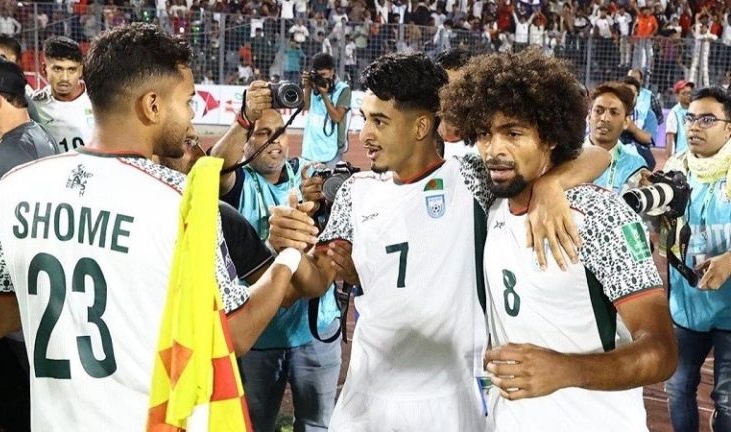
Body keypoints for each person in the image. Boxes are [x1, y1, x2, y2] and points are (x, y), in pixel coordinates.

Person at [0, 23, 317, 432]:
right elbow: (234, 332)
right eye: (187, 102)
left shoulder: (15, 188)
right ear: (152, 105)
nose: (191, 116)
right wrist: (288, 258)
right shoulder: (180, 199)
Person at [266, 52, 611, 431]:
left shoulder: (472, 178)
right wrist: (292, 250)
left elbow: (596, 155)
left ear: (420, 127)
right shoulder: (356, 191)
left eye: (379, 121)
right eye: (365, 119)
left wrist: (551, 184)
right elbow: (316, 280)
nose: (364, 135)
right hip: (363, 400)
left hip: (449, 403)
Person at [439, 49, 676, 431]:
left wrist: (565, 369)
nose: (494, 149)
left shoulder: (600, 215)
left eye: (513, 133)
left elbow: (661, 352)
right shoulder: (485, 195)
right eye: (484, 133)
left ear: (549, 136)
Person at [212, 84, 342, 431]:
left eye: (280, 132)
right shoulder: (239, 181)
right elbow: (213, 169)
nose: (274, 141)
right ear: (246, 142)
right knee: (254, 425)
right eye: (263, 133)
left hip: (316, 328)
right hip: (259, 334)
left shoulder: (305, 174)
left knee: (317, 425)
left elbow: (331, 186)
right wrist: (244, 119)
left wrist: (324, 194)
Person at [0, 54, 59, 432]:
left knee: (6, 416)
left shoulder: (10, 152)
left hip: (15, 319)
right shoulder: (39, 135)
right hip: (37, 311)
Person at [661, 86, 731, 432]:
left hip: (730, 310)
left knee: (728, 404)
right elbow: (664, 237)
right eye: (690, 118)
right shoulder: (675, 169)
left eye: (707, 119)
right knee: (677, 388)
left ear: (728, 128)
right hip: (687, 305)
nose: (694, 127)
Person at [31, 36, 94, 153]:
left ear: (80, 71)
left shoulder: (98, 99)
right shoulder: (34, 105)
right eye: (58, 69)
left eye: (71, 70)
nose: (65, 78)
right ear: (44, 69)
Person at [586, 82, 648, 194]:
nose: (605, 118)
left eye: (614, 113)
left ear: (626, 122)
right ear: (589, 117)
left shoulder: (635, 165)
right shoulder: (566, 155)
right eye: (599, 111)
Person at [301, 53, 351, 167]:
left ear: (332, 71)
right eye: (318, 75)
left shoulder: (343, 89)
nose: (321, 78)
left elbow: (337, 117)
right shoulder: (313, 84)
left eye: (324, 74)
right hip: (311, 148)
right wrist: (307, 87)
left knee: (331, 178)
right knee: (308, 179)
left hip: (332, 149)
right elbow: (304, 107)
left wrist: (324, 94)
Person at [435, 48, 478, 159]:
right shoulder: (421, 133)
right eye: (446, 86)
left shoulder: (486, 139)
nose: (452, 93)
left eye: (460, 86)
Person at [621, 75, 657, 169]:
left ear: (638, 94)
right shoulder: (612, 112)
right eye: (626, 92)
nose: (630, 96)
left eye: (633, 92)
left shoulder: (648, 114)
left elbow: (648, 139)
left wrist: (633, 129)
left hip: (638, 163)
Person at [665, 79, 694, 158]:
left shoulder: (696, 110)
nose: (688, 95)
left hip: (695, 154)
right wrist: (669, 159)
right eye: (684, 93)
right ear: (677, 95)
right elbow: (670, 138)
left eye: (689, 93)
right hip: (680, 155)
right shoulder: (674, 113)